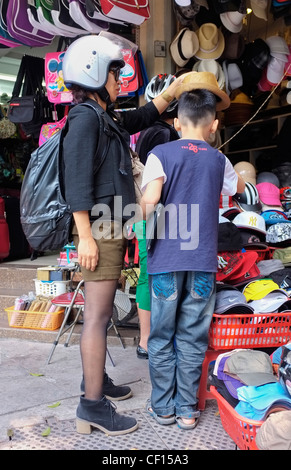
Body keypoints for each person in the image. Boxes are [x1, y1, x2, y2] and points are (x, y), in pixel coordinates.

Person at [61, 32, 188, 436]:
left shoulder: (103, 115)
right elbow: (76, 182)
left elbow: (141, 117)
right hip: (98, 228)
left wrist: (174, 93)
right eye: (115, 74)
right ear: (94, 72)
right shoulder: (84, 119)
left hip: (110, 225)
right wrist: (85, 237)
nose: (120, 82)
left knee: (100, 312)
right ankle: (92, 407)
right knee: (98, 317)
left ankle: (94, 384)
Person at [140, 71, 245, 430]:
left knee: (161, 336)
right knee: (191, 337)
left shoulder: (159, 154)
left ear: (176, 121)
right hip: (202, 262)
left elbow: (150, 201)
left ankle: (162, 408)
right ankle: (188, 411)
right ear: (213, 125)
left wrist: (129, 222)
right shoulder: (220, 160)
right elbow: (237, 188)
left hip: (166, 261)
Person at [134, 73, 180, 360]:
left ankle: (145, 340)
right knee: (155, 274)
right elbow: (159, 186)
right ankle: (149, 340)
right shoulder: (165, 135)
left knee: (145, 274)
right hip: (158, 212)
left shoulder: (147, 132)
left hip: (144, 211)